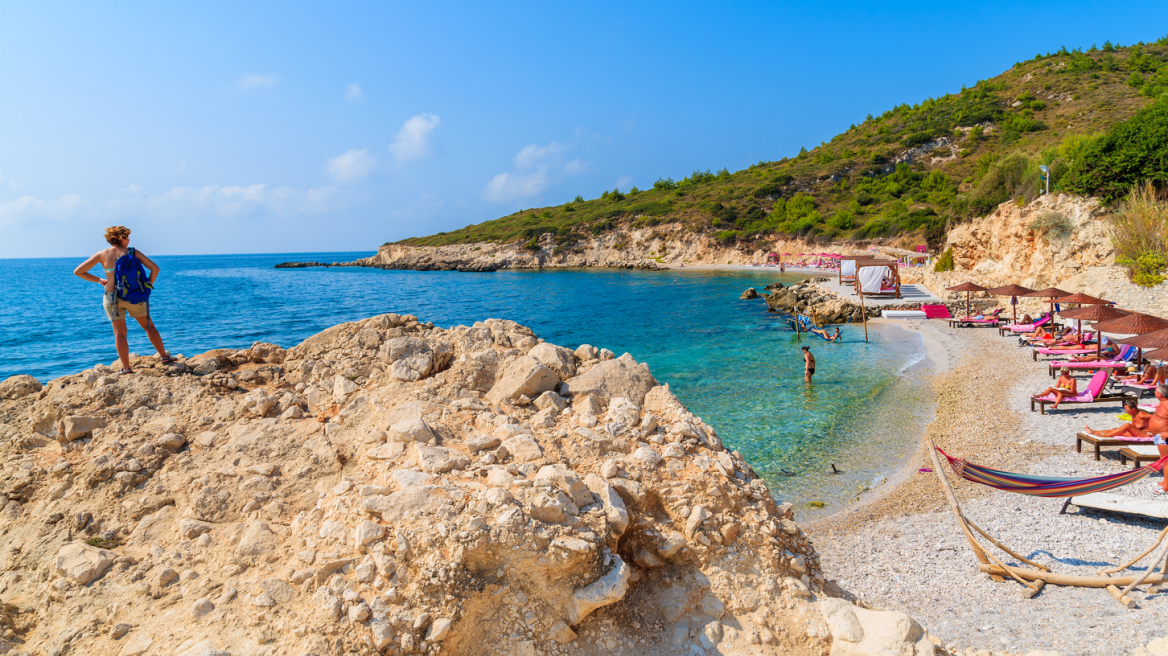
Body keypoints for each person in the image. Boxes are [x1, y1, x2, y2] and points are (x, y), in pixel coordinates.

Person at [74, 226, 173, 374]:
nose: (129, 240)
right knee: (149, 327)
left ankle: (126, 368)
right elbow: (155, 268)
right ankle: (164, 357)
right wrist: (147, 286)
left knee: (119, 334)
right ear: (121, 239)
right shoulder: (132, 252)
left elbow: (78, 271)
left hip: (112, 297)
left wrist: (100, 280)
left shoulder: (102, 254)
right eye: (127, 237)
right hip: (135, 296)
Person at [1085, 399, 1153, 438]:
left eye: (1127, 409)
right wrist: (1121, 429)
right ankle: (1093, 432)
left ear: (1133, 409)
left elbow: (1158, 417)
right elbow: (1133, 425)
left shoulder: (1142, 415)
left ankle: (1107, 435)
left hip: (1147, 435)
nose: (1125, 411)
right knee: (1115, 430)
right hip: (1138, 433)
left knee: (1126, 425)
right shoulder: (1133, 414)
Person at [1149, 384, 1168, 494]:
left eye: (1155, 391)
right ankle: (1165, 481)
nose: (1155, 392)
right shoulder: (1162, 403)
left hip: (1164, 437)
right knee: (1164, 460)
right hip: (1159, 436)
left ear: (1160, 394)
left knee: (1166, 461)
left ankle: (1166, 487)